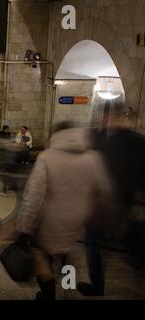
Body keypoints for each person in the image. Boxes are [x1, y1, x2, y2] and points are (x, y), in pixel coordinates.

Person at [16, 122, 113, 300]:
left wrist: (24, 226)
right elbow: (105, 192)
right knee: (64, 249)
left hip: (49, 221)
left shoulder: (47, 157)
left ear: (55, 135)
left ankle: (48, 294)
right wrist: (100, 219)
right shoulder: (93, 158)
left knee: (40, 255)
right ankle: (67, 283)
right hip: (78, 221)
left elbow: (34, 196)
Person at [78, 103, 145, 296]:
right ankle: (137, 262)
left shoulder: (101, 139)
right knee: (124, 237)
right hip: (123, 204)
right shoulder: (136, 140)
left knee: (93, 243)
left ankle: (98, 286)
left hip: (104, 205)